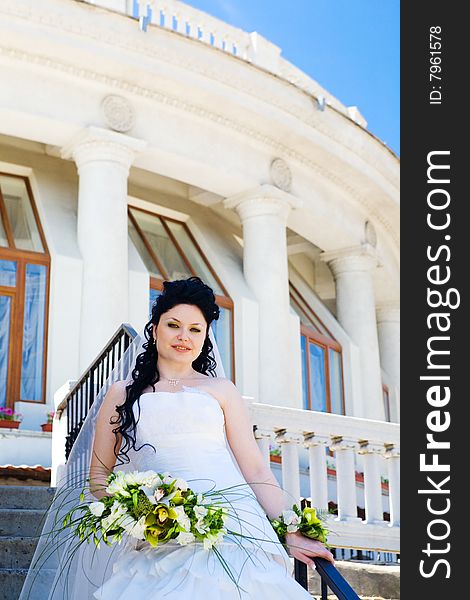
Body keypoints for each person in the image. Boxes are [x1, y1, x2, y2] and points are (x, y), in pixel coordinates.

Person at [21, 276, 333, 599]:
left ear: (205, 338)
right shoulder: (121, 394)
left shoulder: (221, 391)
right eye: (174, 325)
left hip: (232, 526)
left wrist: (291, 529)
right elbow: (99, 477)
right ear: (155, 329)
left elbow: (256, 470)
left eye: (195, 329)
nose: (184, 337)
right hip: (161, 530)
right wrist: (138, 510)